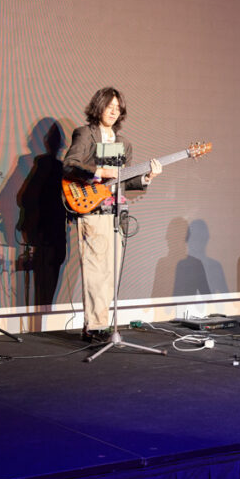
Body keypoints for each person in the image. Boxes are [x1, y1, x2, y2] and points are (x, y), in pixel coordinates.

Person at [63, 88, 162, 342]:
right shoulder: (85, 134)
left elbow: (123, 181)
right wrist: (101, 172)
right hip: (92, 210)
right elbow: (70, 165)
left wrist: (146, 177)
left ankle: (101, 323)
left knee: (110, 272)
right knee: (95, 269)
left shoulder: (123, 143)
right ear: (99, 107)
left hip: (115, 213)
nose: (114, 111)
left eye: (118, 108)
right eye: (110, 106)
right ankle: (94, 327)